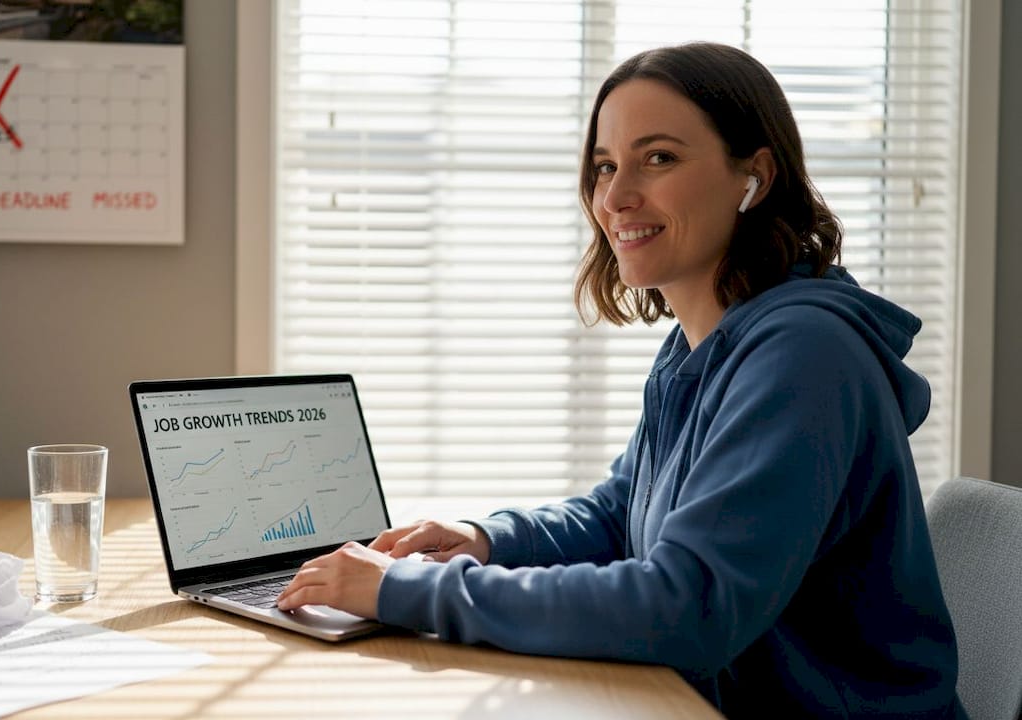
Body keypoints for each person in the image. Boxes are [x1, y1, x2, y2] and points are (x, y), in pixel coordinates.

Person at [276, 42, 966, 719]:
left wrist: (408, 589)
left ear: (752, 175)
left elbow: (687, 606)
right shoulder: (699, 345)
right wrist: (482, 540)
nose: (616, 196)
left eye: (658, 158)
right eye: (605, 166)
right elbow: (620, 516)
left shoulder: (805, 357)